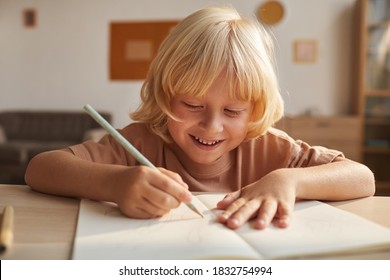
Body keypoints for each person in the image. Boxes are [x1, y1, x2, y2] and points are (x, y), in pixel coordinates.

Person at [25, 6, 375, 230]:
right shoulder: (136, 143)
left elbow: (362, 178)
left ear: (254, 110)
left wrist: (289, 181)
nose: (212, 126)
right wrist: (115, 183)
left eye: (233, 111)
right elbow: (40, 168)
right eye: (192, 105)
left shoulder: (273, 150)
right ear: (165, 93)